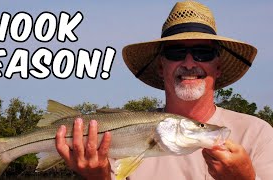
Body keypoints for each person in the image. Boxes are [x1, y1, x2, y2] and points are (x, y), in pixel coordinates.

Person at [55, 1, 273, 179]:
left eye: (202, 52)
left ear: (218, 67)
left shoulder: (259, 134)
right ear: (161, 67)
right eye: (176, 52)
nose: (189, 63)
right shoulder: (109, 144)